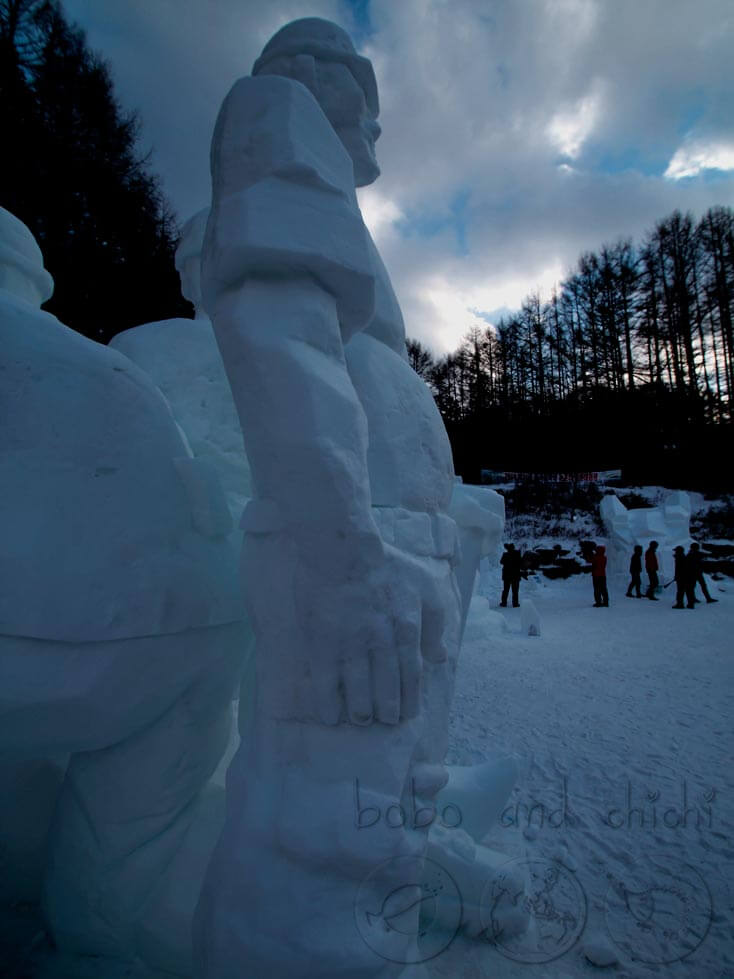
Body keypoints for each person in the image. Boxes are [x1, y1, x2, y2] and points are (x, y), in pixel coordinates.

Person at [193, 19, 466, 976]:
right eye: (368, 93)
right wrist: (341, 555)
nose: (382, 132)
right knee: (329, 834)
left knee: (391, 815)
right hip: (351, 552)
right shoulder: (278, 114)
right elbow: (278, 323)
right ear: (307, 76)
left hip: (383, 552)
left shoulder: (341, 220)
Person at [500, 541, 523, 607]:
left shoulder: (505, 554)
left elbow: (501, 562)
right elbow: (521, 563)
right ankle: (515, 603)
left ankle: (504, 603)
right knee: (515, 591)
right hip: (515, 576)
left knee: (505, 590)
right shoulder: (517, 554)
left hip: (507, 576)